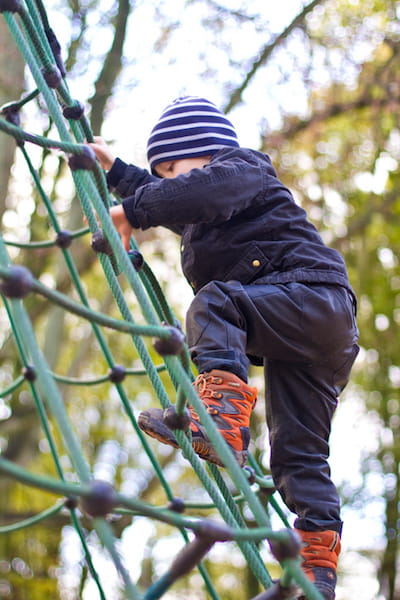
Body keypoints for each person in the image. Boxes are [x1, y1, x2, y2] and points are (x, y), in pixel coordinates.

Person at [89, 95, 359, 600]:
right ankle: (316, 573)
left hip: (311, 296)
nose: (170, 182)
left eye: (175, 168)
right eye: (162, 173)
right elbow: (176, 199)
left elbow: (197, 193)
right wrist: (119, 173)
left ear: (208, 151)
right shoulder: (202, 210)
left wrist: (131, 211)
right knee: (298, 454)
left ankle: (218, 420)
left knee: (215, 305)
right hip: (308, 334)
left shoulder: (242, 168)